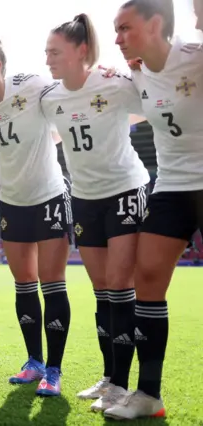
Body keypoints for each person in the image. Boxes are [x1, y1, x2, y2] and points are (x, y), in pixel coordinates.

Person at [40, 14, 150, 410]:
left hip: (125, 189)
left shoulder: (114, 82)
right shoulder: (50, 97)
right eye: (46, 51)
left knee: (121, 286)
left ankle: (124, 385)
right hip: (84, 197)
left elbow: (154, 100)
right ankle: (110, 377)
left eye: (55, 51)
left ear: (81, 51)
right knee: (102, 288)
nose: (47, 58)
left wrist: (138, 68)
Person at [104, 0, 203, 419]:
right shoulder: (136, 74)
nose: (117, 38)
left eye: (125, 28)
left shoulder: (195, 58)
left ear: (156, 24)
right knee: (146, 278)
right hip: (173, 185)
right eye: (115, 29)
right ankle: (148, 394)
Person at [0, 37, 71, 396]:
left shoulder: (31, 85)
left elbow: (68, 98)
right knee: (24, 283)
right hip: (11, 202)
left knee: (52, 282)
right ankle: (34, 361)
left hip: (49, 196)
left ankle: (53, 370)